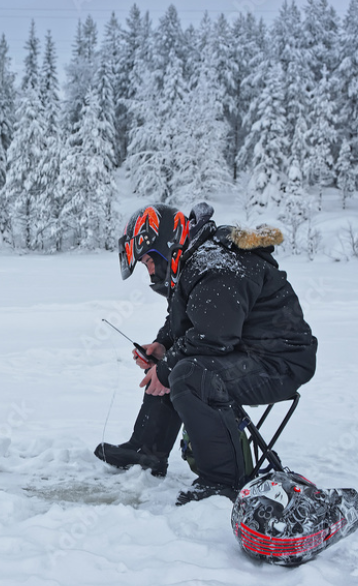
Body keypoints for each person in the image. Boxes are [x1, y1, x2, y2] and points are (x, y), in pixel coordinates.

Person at [94, 202, 318, 505]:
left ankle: (224, 481)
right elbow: (189, 321)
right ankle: (147, 450)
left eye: (148, 261)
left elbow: (214, 337)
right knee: (174, 364)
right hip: (246, 353)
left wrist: (167, 368)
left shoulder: (215, 265)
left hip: (279, 363)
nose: (150, 272)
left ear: (164, 245)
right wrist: (162, 346)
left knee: (189, 375)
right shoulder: (198, 260)